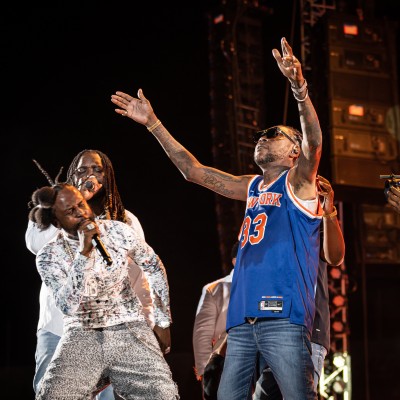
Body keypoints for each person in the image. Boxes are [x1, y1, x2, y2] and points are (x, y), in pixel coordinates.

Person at [111, 37, 322, 399]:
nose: (261, 138)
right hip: (240, 323)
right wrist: (153, 124)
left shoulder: (299, 183)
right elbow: (193, 171)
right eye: (259, 135)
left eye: (272, 134)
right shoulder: (251, 186)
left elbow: (314, 143)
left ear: (293, 150)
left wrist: (299, 88)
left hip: (283, 319)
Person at [26, 150, 172, 398]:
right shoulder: (49, 212)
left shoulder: (125, 221)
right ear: (72, 175)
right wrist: (75, 200)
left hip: (117, 330)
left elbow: (142, 275)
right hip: (59, 327)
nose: (90, 175)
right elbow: (36, 245)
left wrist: (155, 321)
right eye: (82, 170)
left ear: (108, 177)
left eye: (97, 170)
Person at [253, 175, 345, 399]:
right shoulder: (268, 221)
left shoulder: (314, 219)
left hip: (306, 331)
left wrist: (328, 210)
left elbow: (335, 257)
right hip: (269, 331)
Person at [193, 241, 239, 399]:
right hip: (224, 361)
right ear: (235, 260)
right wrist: (204, 371)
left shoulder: (264, 286)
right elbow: (202, 333)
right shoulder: (216, 289)